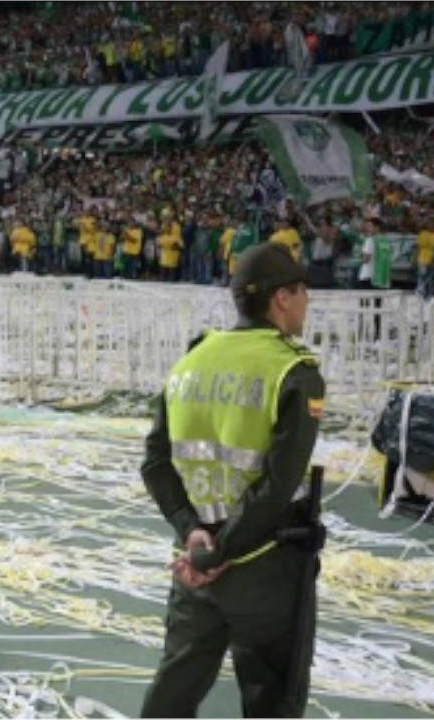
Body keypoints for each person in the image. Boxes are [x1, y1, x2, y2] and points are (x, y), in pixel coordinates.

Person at [139, 242, 326, 718]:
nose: (307, 301)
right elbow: (277, 487)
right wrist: (224, 552)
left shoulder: (191, 363)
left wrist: (195, 538)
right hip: (265, 563)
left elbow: (155, 464)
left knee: (173, 690)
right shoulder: (294, 372)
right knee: (271, 697)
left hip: (194, 560)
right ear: (281, 298)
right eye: (302, 291)